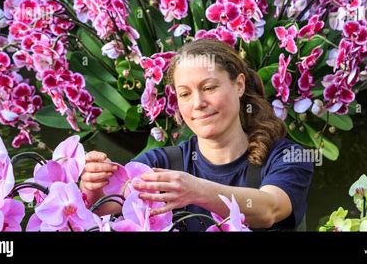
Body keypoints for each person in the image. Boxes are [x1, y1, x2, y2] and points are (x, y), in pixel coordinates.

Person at [80, 38, 314, 231]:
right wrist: (93, 190)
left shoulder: (287, 156)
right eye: (185, 94)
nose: (198, 103)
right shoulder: (160, 163)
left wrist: (197, 191)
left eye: (209, 88)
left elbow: (269, 209)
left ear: (239, 85)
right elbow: (106, 208)